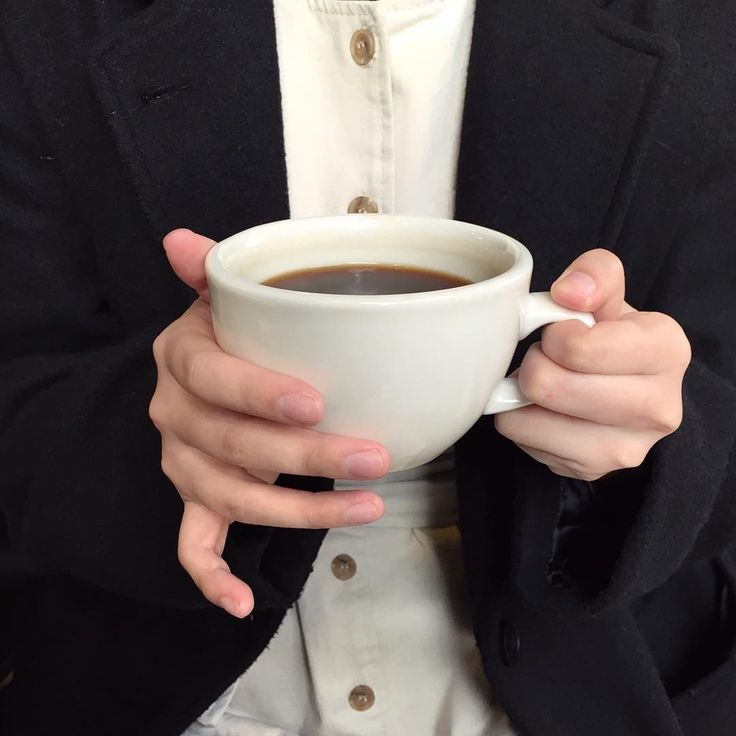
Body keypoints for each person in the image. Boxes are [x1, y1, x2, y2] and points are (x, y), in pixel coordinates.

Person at [0, 1, 734, 735]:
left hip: (607, 686)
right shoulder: (42, 28)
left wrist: (645, 439)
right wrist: (158, 432)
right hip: (174, 692)